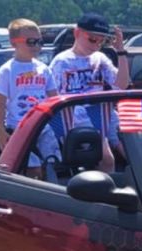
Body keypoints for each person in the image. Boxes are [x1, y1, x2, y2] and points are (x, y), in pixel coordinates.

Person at [49, 13, 130, 172]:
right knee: (106, 159)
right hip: (77, 117)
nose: (96, 45)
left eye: (102, 41)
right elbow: (52, 96)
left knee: (137, 150)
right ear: (77, 33)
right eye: (93, 39)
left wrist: (120, 51)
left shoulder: (101, 58)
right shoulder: (62, 61)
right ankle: (108, 194)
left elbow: (121, 84)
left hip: (104, 113)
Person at [0, 18, 57, 177]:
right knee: (32, 169)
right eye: (31, 42)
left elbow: (54, 97)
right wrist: (0, 131)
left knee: (52, 163)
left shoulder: (44, 69)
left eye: (40, 42)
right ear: (14, 43)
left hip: (44, 126)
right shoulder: (7, 71)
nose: (36, 46)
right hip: (19, 128)